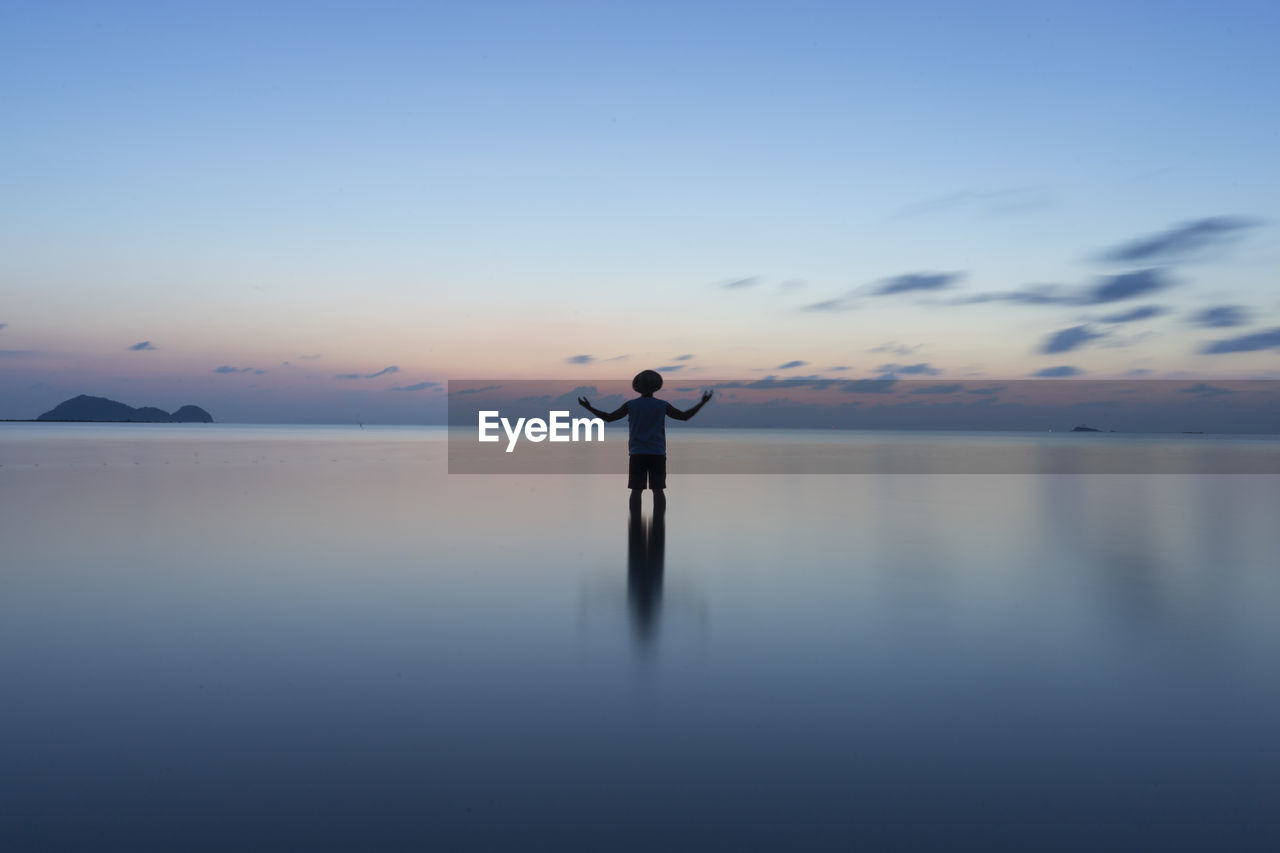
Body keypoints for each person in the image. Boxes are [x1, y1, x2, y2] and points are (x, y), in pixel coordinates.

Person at [578, 370, 712, 514]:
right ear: (655, 387)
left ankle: (635, 523)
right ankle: (658, 522)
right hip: (657, 453)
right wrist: (702, 403)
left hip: (637, 454)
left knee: (636, 490)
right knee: (658, 490)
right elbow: (684, 416)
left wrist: (589, 407)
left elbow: (609, 418)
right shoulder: (662, 405)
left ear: (638, 387)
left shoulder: (631, 405)